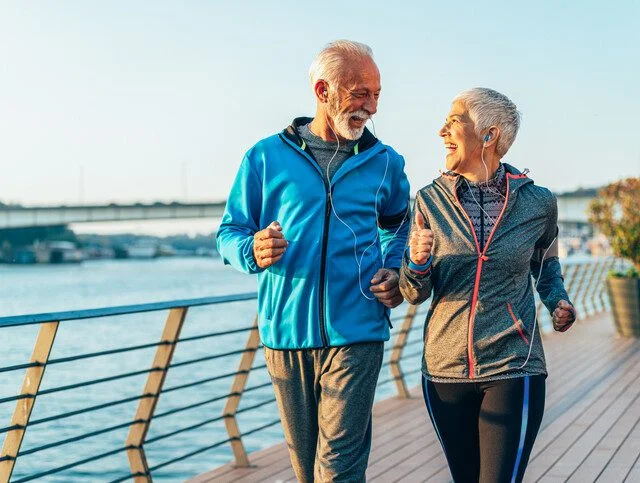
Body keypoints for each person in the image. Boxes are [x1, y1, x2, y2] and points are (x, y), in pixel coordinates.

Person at [216, 40, 410, 482]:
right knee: (308, 471)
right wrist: (252, 250)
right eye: (360, 93)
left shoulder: (385, 162)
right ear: (323, 91)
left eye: (376, 94)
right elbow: (229, 233)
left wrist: (395, 269)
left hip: (358, 330)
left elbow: (399, 224)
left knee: (337, 468)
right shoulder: (265, 157)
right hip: (285, 335)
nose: (371, 106)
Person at [399, 87, 576, 483]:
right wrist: (417, 262)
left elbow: (546, 267)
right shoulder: (428, 200)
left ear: (489, 135)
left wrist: (558, 301)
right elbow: (413, 292)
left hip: (514, 362)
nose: (441, 130)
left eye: (453, 121)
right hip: (445, 370)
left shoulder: (539, 203)